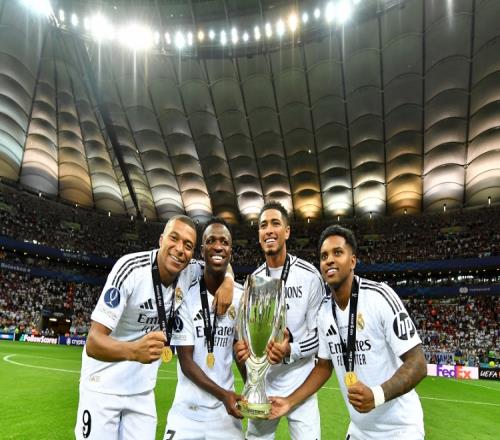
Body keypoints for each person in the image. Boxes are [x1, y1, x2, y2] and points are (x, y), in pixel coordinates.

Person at [75, 215, 233, 440]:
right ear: (161, 240)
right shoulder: (131, 269)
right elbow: (93, 342)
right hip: (103, 387)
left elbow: (218, 260)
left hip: (142, 392)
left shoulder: (189, 271)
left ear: (192, 254)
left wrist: (228, 281)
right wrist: (133, 350)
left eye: (188, 245)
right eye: (174, 239)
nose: (180, 249)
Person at [269, 224, 427, 439]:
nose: (329, 260)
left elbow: (418, 363)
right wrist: (289, 401)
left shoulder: (379, 297)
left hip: (400, 429)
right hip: (360, 430)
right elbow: (323, 367)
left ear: (352, 261)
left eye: (337, 253)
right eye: (324, 256)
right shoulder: (324, 312)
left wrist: (376, 395)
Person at [235, 201, 325, 440]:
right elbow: (246, 333)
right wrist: (243, 350)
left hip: (300, 383)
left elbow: (320, 336)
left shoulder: (309, 276)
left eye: (275, 223)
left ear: (287, 231)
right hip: (263, 384)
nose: (269, 230)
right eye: (263, 225)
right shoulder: (253, 280)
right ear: (259, 235)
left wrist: (290, 350)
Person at [163, 217, 245, 440]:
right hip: (187, 411)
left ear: (230, 252)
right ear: (201, 250)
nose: (218, 246)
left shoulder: (241, 296)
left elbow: (241, 351)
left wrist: (253, 388)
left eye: (224, 242)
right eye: (211, 241)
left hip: (224, 416)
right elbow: (186, 362)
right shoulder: (185, 294)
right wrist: (224, 395)